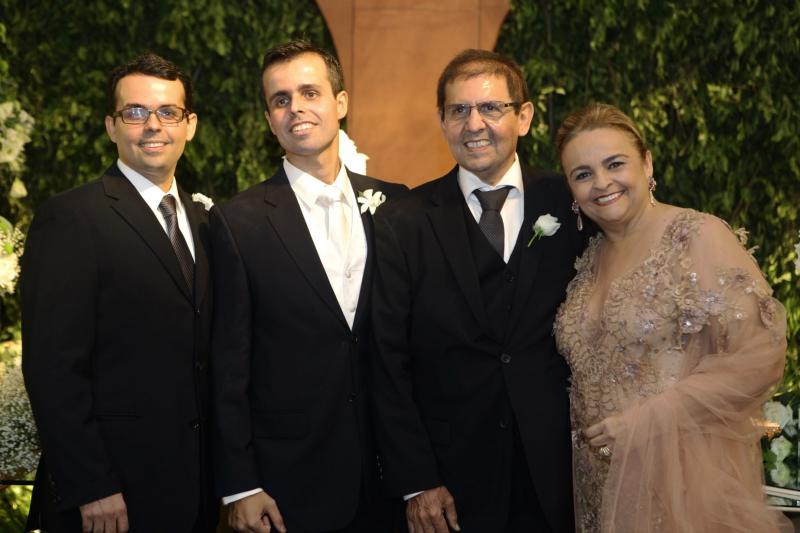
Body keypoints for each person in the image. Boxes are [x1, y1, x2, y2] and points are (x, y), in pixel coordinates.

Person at [370, 49, 584, 532]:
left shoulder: (571, 202)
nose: (474, 124)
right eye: (459, 110)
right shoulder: (404, 221)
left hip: (557, 472)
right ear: (442, 121)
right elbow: (387, 359)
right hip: (451, 484)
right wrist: (417, 479)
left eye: (491, 108)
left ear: (523, 117)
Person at [553, 102, 791, 532]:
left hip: (680, 482)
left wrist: (646, 421)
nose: (601, 183)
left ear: (647, 163)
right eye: (583, 174)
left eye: (615, 164)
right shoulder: (587, 259)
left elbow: (760, 354)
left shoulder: (695, 236)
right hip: (597, 485)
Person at [209, 40, 406, 533]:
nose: (295, 107)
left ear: (340, 102)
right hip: (289, 488)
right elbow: (227, 365)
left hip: (391, 482)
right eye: (280, 99)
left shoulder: (397, 207)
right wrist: (241, 485)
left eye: (309, 93)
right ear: (269, 119)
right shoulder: (237, 222)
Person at [21, 53, 217, 532]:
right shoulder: (71, 218)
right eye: (135, 112)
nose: (153, 125)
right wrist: (91, 484)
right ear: (111, 126)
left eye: (168, 112)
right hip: (111, 498)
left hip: (195, 491)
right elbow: (53, 368)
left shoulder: (207, 222)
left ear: (189, 125)